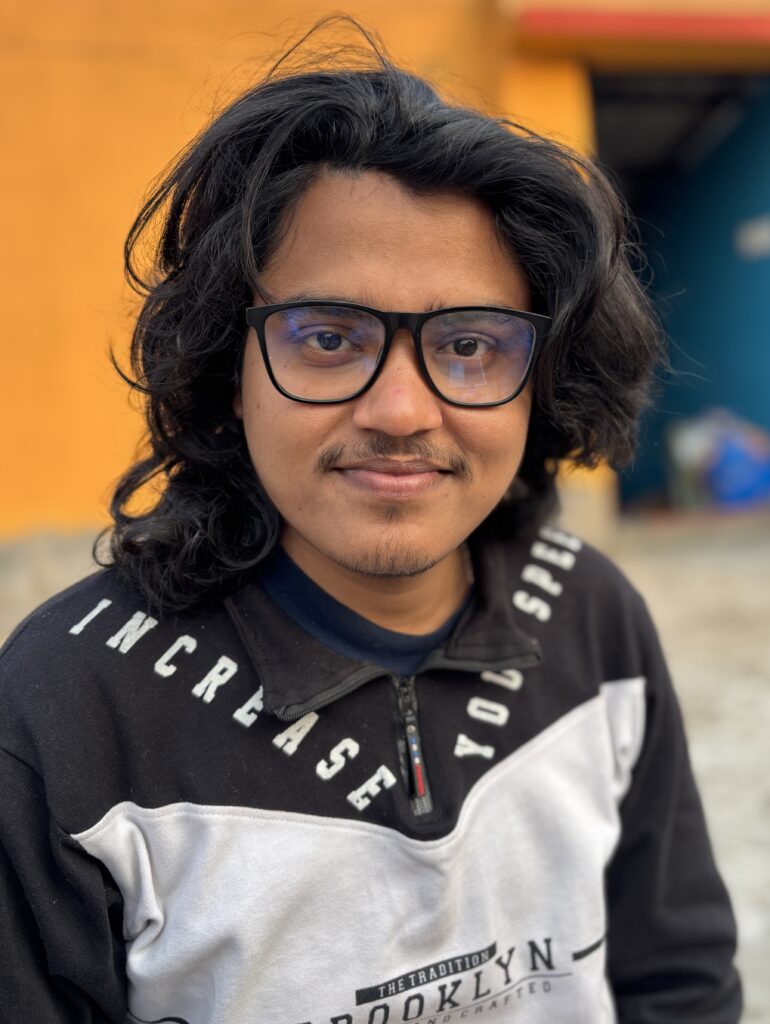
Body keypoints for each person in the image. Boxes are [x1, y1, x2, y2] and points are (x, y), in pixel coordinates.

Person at [0, 25, 741, 1024]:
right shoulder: (64, 712)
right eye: (327, 336)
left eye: (469, 345)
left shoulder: (590, 617)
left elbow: (677, 981)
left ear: (543, 380)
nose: (399, 410)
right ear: (230, 365)